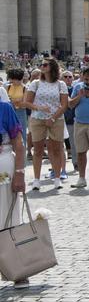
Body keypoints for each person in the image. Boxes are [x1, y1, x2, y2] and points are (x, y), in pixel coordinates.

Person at [25, 57, 69, 191]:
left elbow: (64, 105)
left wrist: (53, 118)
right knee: (37, 150)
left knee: (56, 150)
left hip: (56, 120)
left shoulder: (61, 84)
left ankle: (57, 178)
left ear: (52, 67)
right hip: (38, 118)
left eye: (45, 65)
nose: (42, 67)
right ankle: (36, 179)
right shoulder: (36, 83)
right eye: (41, 65)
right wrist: (39, 108)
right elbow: (27, 102)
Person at [0, 100, 29, 288]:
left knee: (8, 216)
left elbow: (19, 143)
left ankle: (17, 269)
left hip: (3, 168)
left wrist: (20, 173)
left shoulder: (4, 108)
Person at [5, 69, 29, 146]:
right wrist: (17, 101)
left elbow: (24, 104)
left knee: (22, 134)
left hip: (20, 113)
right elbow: (6, 101)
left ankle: (22, 156)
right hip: (9, 113)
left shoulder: (25, 88)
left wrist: (12, 101)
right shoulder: (8, 87)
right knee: (9, 134)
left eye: (18, 79)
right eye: (14, 79)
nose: (16, 81)